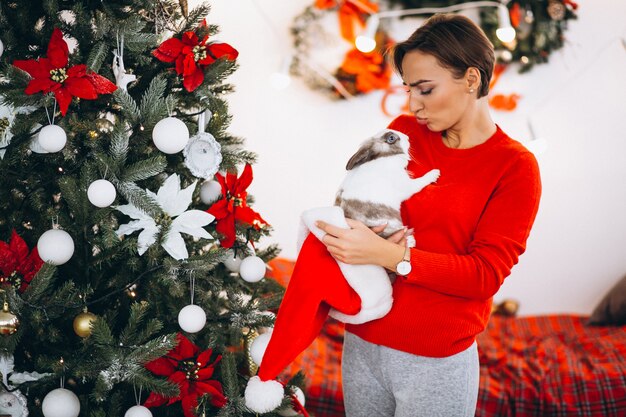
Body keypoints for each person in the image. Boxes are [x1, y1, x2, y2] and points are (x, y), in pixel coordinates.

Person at [315, 13, 542, 417]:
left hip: (436, 362)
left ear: (471, 79)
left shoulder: (514, 167)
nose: (413, 104)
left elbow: (484, 275)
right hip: (363, 342)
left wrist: (391, 256)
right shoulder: (403, 133)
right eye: (408, 89)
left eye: (425, 89)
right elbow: (360, 205)